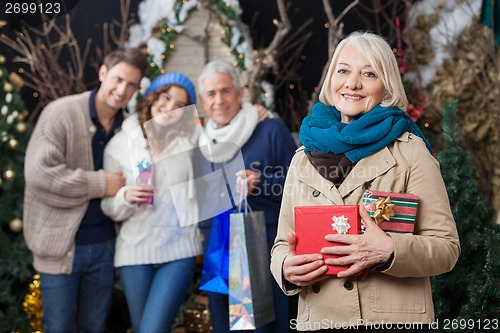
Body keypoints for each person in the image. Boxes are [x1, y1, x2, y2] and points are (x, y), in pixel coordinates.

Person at [270, 31, 460, 332]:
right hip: (320, 321)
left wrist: (389, 250)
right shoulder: (302, 157)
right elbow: (283, 244)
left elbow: (446, 248)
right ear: (331, 78)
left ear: (386, 87)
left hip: (390, 322)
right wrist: (284, 268)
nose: (352, 83)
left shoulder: (411, 151)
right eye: (343, 70)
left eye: (368, 73)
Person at [23, 48, 148, 333]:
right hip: (61, 247)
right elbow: (40, 175)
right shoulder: (61, 113)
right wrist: (101, 183)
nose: (122, 90)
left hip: (105, 245)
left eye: (131, 85)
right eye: (117, 79)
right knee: (58, 326)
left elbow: (174, 128)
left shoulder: (128, 128)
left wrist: (255, 113)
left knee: (95, 326)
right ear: (103, 73)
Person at [195, 60, 297, 333]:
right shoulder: (201, 144)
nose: (219, 100)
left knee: (265, 323)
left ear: (240, 94)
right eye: (211, 94)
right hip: (219, 250)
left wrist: (261, 182)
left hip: (262, 246)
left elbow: (301, 185)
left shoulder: (270, 129)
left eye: (225, 91)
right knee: (224, 324)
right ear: (203, 102)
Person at [101, 72, 203, 332]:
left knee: (152, 329)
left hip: (179, 250)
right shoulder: (119, 145)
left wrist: (253, 110)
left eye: (180, 105)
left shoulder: (190, 141)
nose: (169, 107)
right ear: (152, 97)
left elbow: (226, 125)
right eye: (165, 97)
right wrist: (125, 196)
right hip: (135, 252)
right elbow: (109, 207)